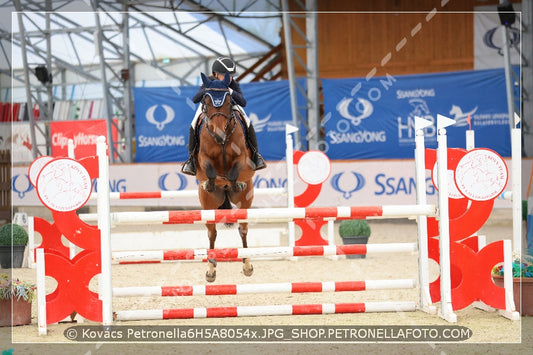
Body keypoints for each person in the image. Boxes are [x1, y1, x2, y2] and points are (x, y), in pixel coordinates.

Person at [181, 57, 266, 175]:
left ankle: (256, 155)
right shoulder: (209, 81)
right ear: (216, 74)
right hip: (209, 109)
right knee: (194, 123)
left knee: (247, 121)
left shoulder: (232, 84)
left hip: (229, 107)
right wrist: (206, 89)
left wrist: (230, 91)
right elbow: (195, 99)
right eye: (227, 75)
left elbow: (243, 102)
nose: (230, 78)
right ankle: (191, 160)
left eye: (231, 75)